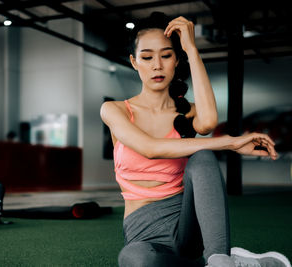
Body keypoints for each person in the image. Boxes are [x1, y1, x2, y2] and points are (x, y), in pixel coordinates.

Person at [100, 12, 291, 267]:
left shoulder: (187, 111)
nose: (157, 65)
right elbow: (150, 148)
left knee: (202, 157)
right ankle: (226, 263)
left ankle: (220, 259)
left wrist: (191, 48)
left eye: (166, 55)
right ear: (134, 62)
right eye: (147, 57)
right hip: (142, 233)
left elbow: (209, 121)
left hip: (188, 224)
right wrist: (231, 142)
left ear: (176, 60)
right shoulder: (115, 110)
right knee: (133, 260)